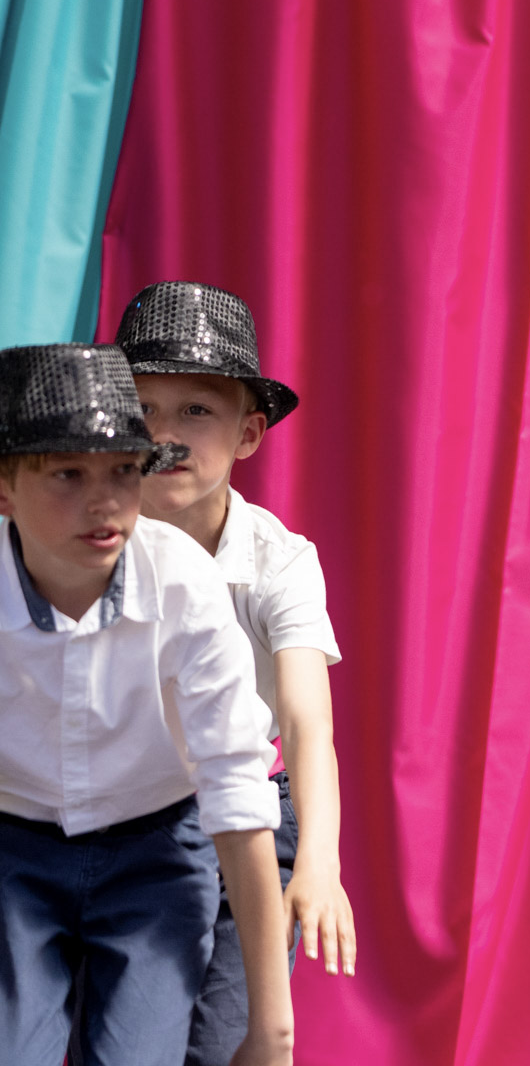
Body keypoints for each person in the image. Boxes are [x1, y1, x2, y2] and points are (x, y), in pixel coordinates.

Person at [0, 343, 293, 1066]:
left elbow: (236, 792)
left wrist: (272, 1028)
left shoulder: (184, 583)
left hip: (155, 850)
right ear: (5, 487)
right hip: (13, 849)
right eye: (68, 473)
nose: (103, 502)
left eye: (124, 472)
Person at [112, 281, 354, 1064]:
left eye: (196, 411)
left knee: (226, 1042)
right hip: (131, 813)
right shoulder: (90, 538)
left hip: (253, 813)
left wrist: (319, 861)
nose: (165, 434)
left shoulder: (278, 560)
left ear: (248, 434)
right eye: (143, 408)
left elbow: (307, 722)